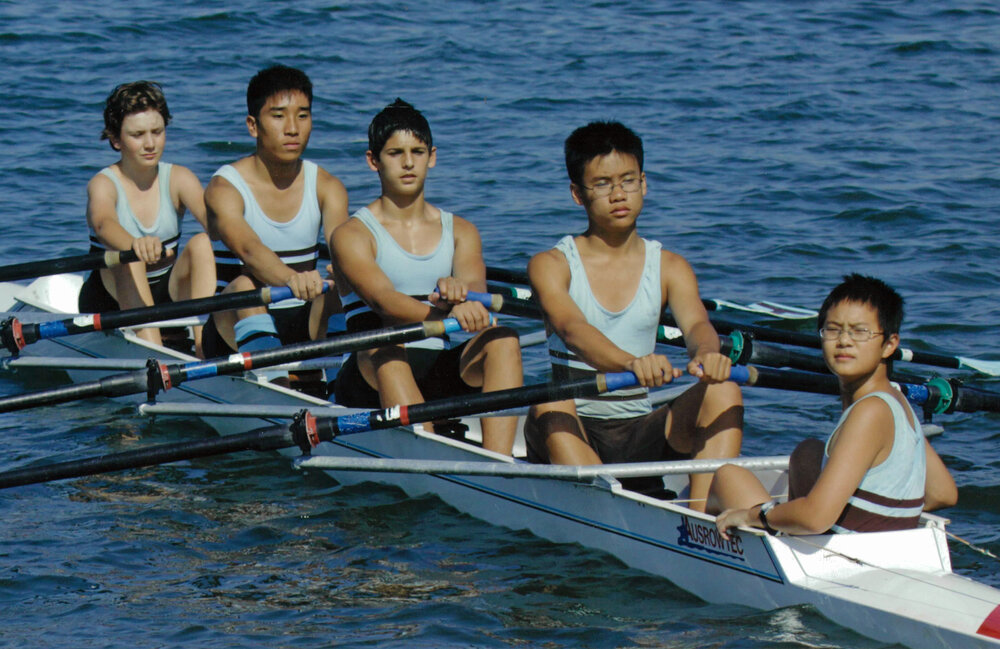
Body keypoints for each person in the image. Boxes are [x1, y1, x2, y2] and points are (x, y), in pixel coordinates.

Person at [524, 121, 743, 511]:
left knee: (724, 390)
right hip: (574, 425)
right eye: (603, 184)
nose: (618, 194)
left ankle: (698, 516)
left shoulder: (671, 267)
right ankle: (605, 510)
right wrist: (631, 362)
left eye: (627, 180)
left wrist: (708, 354)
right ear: (577, 194)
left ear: (644, 184)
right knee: (549, 403)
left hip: (639, 428)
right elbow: (572, 329)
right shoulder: (551, 265)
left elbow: (696, 326)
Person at [331, 98, 523, 455]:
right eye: (395, 153)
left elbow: (477, 304)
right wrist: (448, 313)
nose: (408, 163)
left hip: (439, 368)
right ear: (373, 160)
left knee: (503, 340)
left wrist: (460, 297)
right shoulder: (352, 234)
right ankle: (431, 461)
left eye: (417, 151)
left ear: (431, 156)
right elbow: (383, 301)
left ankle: (499, 464)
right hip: (369, 375)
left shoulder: (462, 231)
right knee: (388, 345)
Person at [711, 274, 958, 537]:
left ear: (889, 345)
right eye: (833, 329)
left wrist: (754, 515)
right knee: (808, 453)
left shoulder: (870, 411)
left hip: (846, 559)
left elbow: (816, 518)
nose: (844, 341)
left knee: (728, 476)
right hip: (880, 547)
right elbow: (943, 493)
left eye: (860, 331)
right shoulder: (897, 401)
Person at [202, 65, 348, 383]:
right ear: (253, 126)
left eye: (303, 115)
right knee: (245, 284)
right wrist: (291, 280)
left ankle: (342, 387)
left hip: (302, 320)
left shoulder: (328, 186)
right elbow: (250, 250)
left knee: (341, 288)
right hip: (233, 326)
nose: (293, 128)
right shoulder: (224, 188)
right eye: (279, 116)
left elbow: (343, 251)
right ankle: (280, 389)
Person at [80, 80, 215, 355]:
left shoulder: (179, 178)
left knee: (202, 242)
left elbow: (217, 226)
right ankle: (155, 353)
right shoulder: (103, 184)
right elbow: (103, 223)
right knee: (128, 258)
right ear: (116, 140)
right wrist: (135, 245)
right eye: (138, 134)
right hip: (109, 297)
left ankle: (205, 350)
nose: (150, 143)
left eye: (157, 131)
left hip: (165, 291)